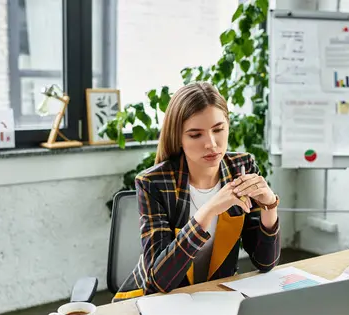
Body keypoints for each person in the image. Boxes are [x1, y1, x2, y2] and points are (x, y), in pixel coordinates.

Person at [113, 82, 280, 301]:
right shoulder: (153, 183)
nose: (211, 144)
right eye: (195, 135)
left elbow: (265, 262)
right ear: (179, 138)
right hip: (157, 303)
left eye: (218, 130)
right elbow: (160, 280)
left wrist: (269, 205)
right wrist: (208, 210)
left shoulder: (242, 168)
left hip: (215, 297)